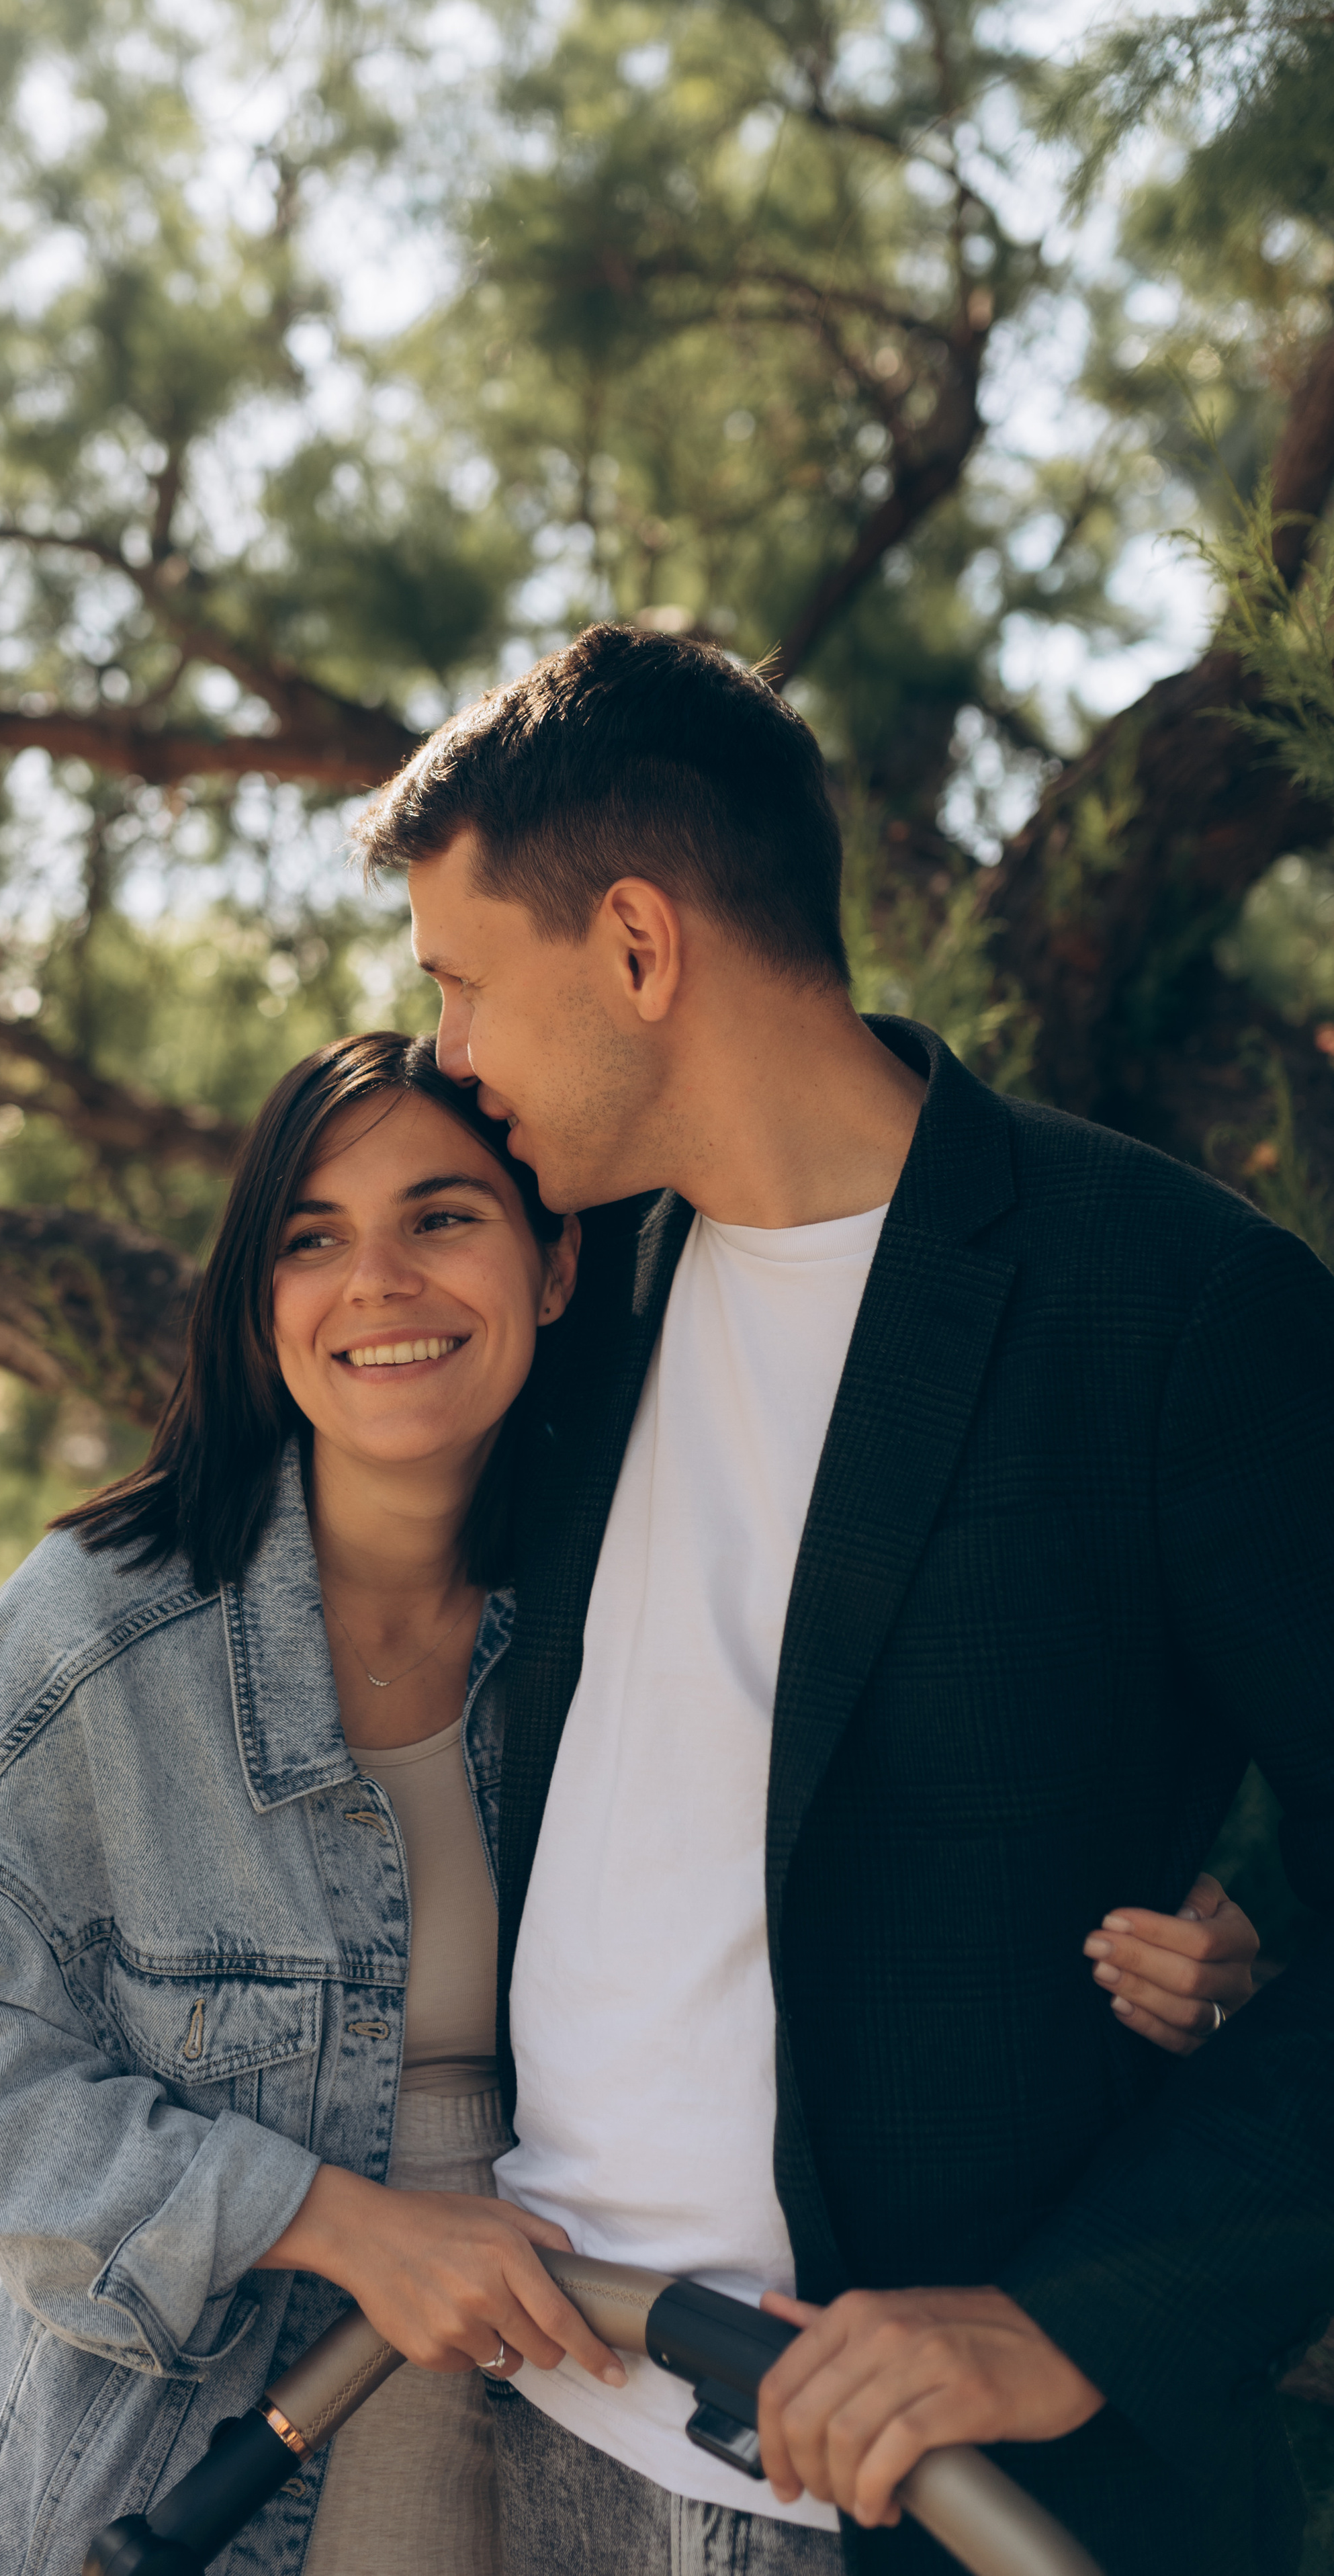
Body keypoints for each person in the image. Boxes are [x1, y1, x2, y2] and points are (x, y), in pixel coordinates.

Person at [0, 1023, 1251, 2576]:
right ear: (258, 1307)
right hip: (167, 2444)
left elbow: (863, 1849)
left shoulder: (600, 1605)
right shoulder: (103, 1629)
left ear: (556, 1267)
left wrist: (1208, 1935)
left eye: (441, 1217)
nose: (378, 1282)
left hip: (540, 2399)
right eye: (312, 1240)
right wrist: (324, 2217)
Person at [350, 621, 1334, 2576]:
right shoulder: (569, 1298)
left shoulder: (1178, 1309)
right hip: (527, 2427)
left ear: (640, 946)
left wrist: (1074, 2319)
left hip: (928, 2512)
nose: (448, 1055)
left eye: (465, 984)